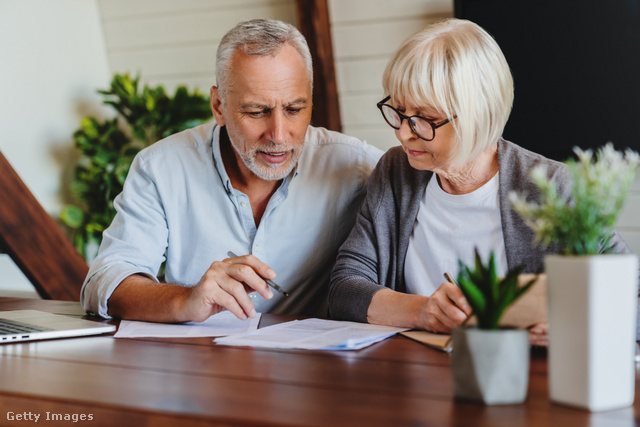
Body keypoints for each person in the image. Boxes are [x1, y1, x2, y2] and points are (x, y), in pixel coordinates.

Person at [328, 18, 634, 346]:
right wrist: (422, 311)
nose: (403, 132)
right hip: (414, 378)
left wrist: (576, 323)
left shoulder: (550, 188)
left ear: (479, 115)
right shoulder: (395, 172)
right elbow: (344, 288)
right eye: (399, 112)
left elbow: (632, 294)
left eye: (425, 119)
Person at [80, 19, 382, 322]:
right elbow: (104, 282)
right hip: (202, 362)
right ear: (218, 106)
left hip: (312, 364)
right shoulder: (160, 168)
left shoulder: (356, 167)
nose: (278, 135)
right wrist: (186, 299)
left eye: (294, 109)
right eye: (256, 111)